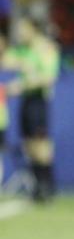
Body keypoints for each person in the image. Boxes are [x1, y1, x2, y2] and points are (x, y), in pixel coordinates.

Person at [0, 17, 60, 202]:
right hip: (26, 101)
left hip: (38, 100)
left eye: (23, 29)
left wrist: (21, 85)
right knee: (29, 144)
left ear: (33, 29)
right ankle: (37, 186)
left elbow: (48, 77)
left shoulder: (46, 49)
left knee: (41, 144)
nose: (19, 33)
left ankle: (47, 185)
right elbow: (7, 60)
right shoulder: (24, 50)